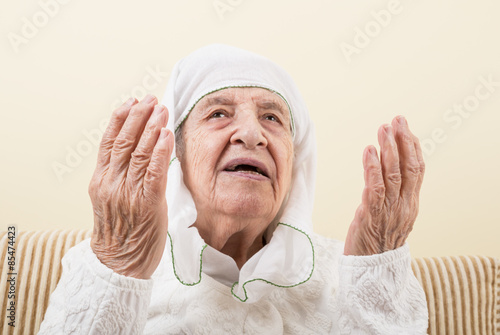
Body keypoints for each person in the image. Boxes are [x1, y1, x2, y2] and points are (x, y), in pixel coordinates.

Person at [39, 44, 428, 334]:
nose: (251, 134)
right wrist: (120, 264)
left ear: (294, 164)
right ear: (177, 153)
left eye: (272, 117)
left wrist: (375, 284)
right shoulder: (115, 259)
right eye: (219, 113)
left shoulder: (349, 273)